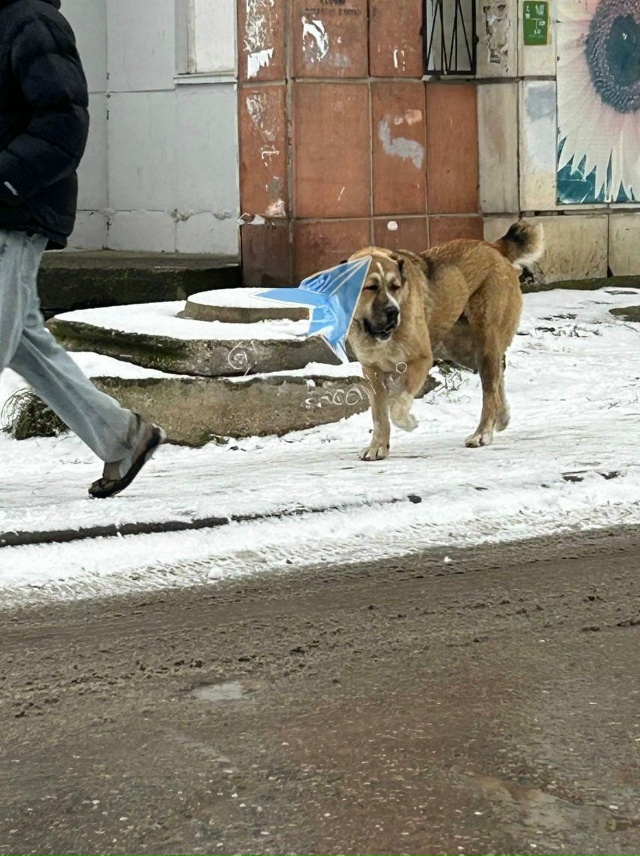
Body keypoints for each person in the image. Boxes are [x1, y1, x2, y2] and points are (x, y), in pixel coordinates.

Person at [0, 0, 165, 498]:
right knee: (23, 338)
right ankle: (122, 436)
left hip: (12, 211)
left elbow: (64, 123)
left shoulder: (33, 22)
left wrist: (5, 181)